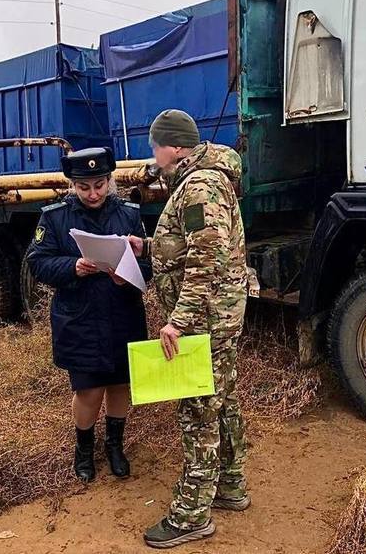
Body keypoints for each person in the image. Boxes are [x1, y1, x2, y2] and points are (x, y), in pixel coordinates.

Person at [128, 110, 249, 549]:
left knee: (198, 408)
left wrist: (178, 320)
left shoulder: (198, 186)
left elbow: (207, 259)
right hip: (220, 313)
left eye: (155, 146)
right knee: (224, 397)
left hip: (205, 318)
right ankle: (231, 485)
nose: (152, 155)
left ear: (174, 147)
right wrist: (150, 246)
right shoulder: (204, 179)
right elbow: (195, 244)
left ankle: (192, 513)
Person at [27, 147, 151, 482]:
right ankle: (83, 450)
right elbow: (36, 261)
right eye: (84, 187)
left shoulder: (128, 213)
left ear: (110, 181)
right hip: (79, 317)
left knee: (121, 383)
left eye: (99, 185)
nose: (93, 193)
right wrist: (73, 266)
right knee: (89, 389)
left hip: (122, 311)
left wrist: (129, 272)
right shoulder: (54, 217)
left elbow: (147, 264)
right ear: (72, 186)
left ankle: (114, 446)